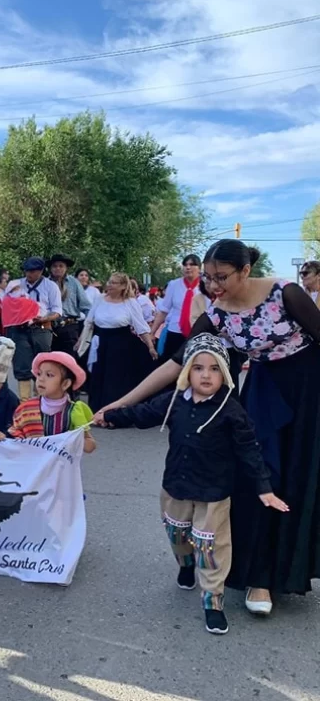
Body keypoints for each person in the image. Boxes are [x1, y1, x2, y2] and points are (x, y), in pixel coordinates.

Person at [96, 239, 320, 616]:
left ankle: (288, 569)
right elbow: (176, 362)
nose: (213, 286)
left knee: (296, 479)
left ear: (245, 270)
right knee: (257, 478)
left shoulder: (286, 292)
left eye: (221, 277)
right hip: (263, 395)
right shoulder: (217, 314)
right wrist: (123, 403)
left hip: (308, 391)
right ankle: (258, 576)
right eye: (209, 278)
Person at [101, 334, 289, 635]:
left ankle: (212, 602)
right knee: (178, 536)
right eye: (198, 367)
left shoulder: (231, 411)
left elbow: (250, 451)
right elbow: (143, 414)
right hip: (175, 486)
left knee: (211, 547)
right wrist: (111, 417)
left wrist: (264, 489)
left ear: (225, 374)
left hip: (213, 493)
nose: (206, 374)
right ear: (187, 371)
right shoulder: (175, 401)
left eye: (214, 369)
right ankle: (185, 564)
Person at [82, 272, 157, 413]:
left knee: (116, 379)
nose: (109, 285)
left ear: (123, 286)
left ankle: (115, 413)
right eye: (109, 282)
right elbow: (89, 322)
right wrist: (81, 342)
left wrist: (150, 347)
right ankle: (97, 411)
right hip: (101, 343)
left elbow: (141, 327)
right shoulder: (100, 299)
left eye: (114, 283)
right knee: (99, 377)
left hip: (121, 345)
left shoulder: (130, 303)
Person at [9, 352, 96, 452]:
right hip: (33, 464)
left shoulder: (74, 411)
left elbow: (90, 446)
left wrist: (76, 441)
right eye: (39, 374)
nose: (41, 379)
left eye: (49, 375)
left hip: (61, 465)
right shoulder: (26, 409)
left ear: (65, 384)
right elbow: (14, 434)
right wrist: (2, 437)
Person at [5, 257, 63, 402]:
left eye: (32, 271)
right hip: (20, 328)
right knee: (22, 365)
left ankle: (40, 400)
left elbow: (57, 311)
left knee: (41, 365)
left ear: (41, 271)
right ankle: (24, 402)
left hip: (41, 328)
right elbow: (7, 303)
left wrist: (44, 318)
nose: (28, 274)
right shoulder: (17, 284)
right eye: (26, 271)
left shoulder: (50, 286)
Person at [150, 254, 203, 362]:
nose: (188, 267)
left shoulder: (206, 286)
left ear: (199, 268)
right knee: (170, 366)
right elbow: (164, 311)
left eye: (192, 264)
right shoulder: (174, 285)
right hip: (175, 331)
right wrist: (152, 332)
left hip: (197, 333)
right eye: (185, 264)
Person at [48, 254, 91, 355]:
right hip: (49, 327)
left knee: (70, 359)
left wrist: (88, 328)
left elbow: (86, 306)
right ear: (50, 268)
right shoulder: (46, 283)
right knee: (51, 360)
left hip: (69, 326)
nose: (58, 268)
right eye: (55, 266)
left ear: (66, 268)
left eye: (61, 266)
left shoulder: (74, 283)